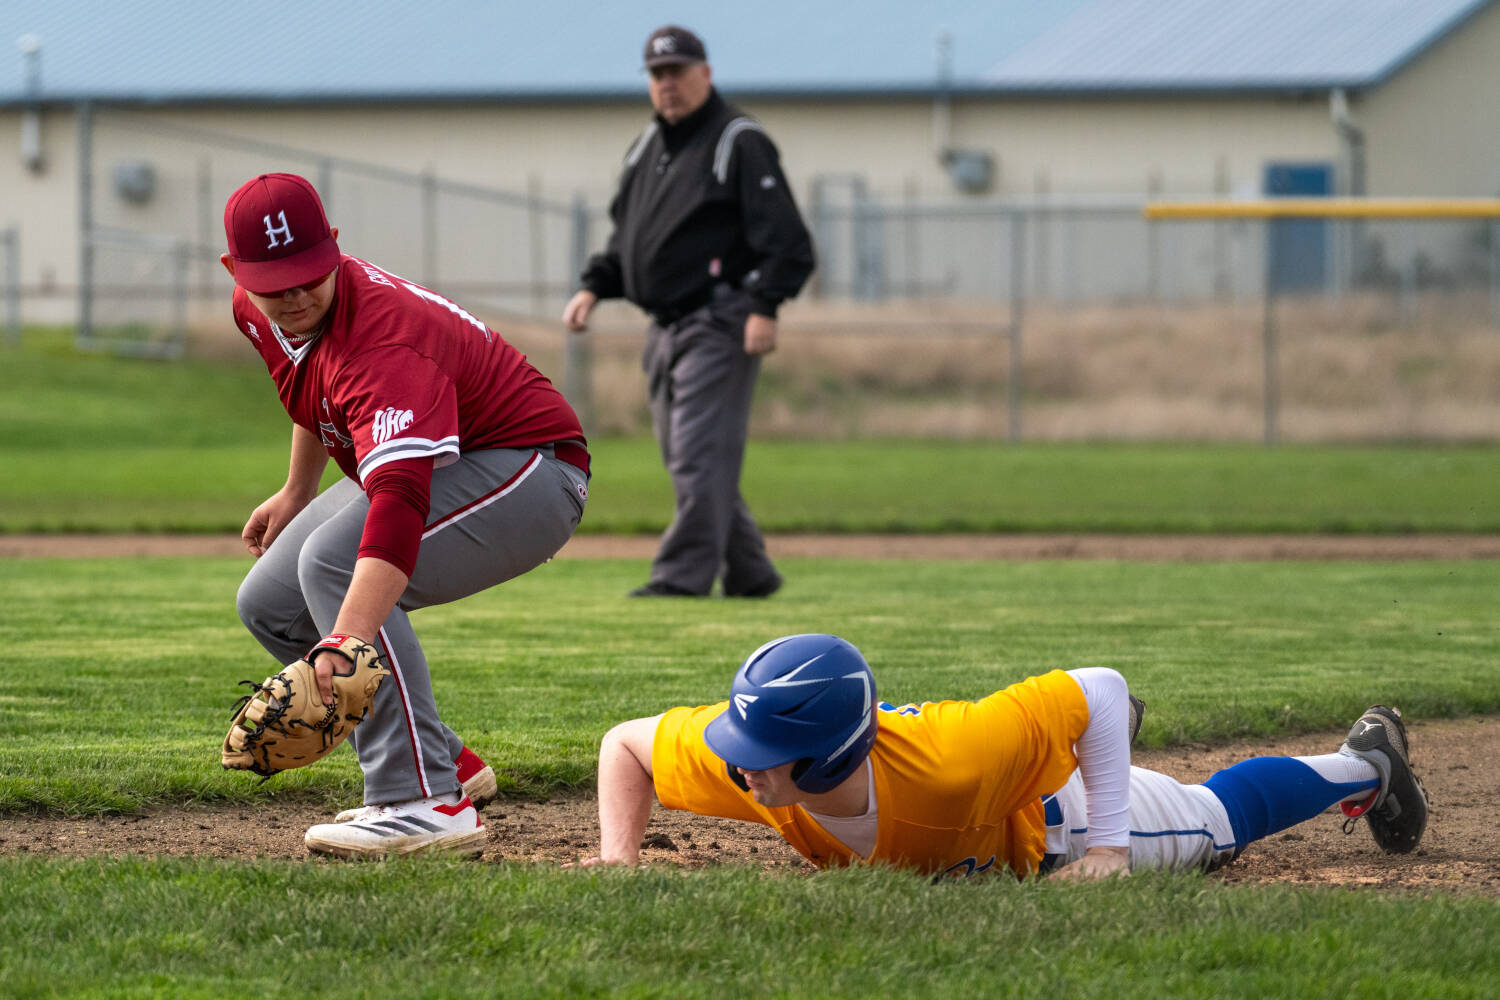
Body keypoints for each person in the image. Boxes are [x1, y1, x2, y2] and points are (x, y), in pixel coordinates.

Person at [220, 172, 591, 858]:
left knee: (330, 564)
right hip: (453, 459)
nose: (295, 294)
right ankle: (445, 762)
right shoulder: (254, 308)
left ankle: (419, 802)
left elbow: (399, 502)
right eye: (276, 282)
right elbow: (314, 392)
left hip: (532, 470)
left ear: (333, 248)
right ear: (238, 274)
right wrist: (297, 489)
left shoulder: (386, 341)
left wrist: (346, 641)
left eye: (309, 273)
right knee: (268, 602)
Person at [579, 633, 1428, 878]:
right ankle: (1086, 742)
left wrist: (1106, 851)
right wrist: (620, 857)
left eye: (766, 752)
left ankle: (1370, 762)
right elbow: (627, 744)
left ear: (830, 756)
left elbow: (1097, 680)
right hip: (1005, 789)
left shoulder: (956, 756)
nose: (743, 767)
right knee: (1093, 728)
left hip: (1059, 822)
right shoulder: (758, 775)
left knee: (1218, 820)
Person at [561, 25, 815, 599]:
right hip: (665, 325)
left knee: (697, 455)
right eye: (657, 74)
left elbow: (788, 240)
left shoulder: (738, 141)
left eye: (677, 71)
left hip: (721, 320)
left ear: (706, 73)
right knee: (689, 457)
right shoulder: (647, 148)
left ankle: (680, 577)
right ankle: (750, 570)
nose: (667, 83)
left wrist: (765, 305)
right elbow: (628, 238)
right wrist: (594, 286)